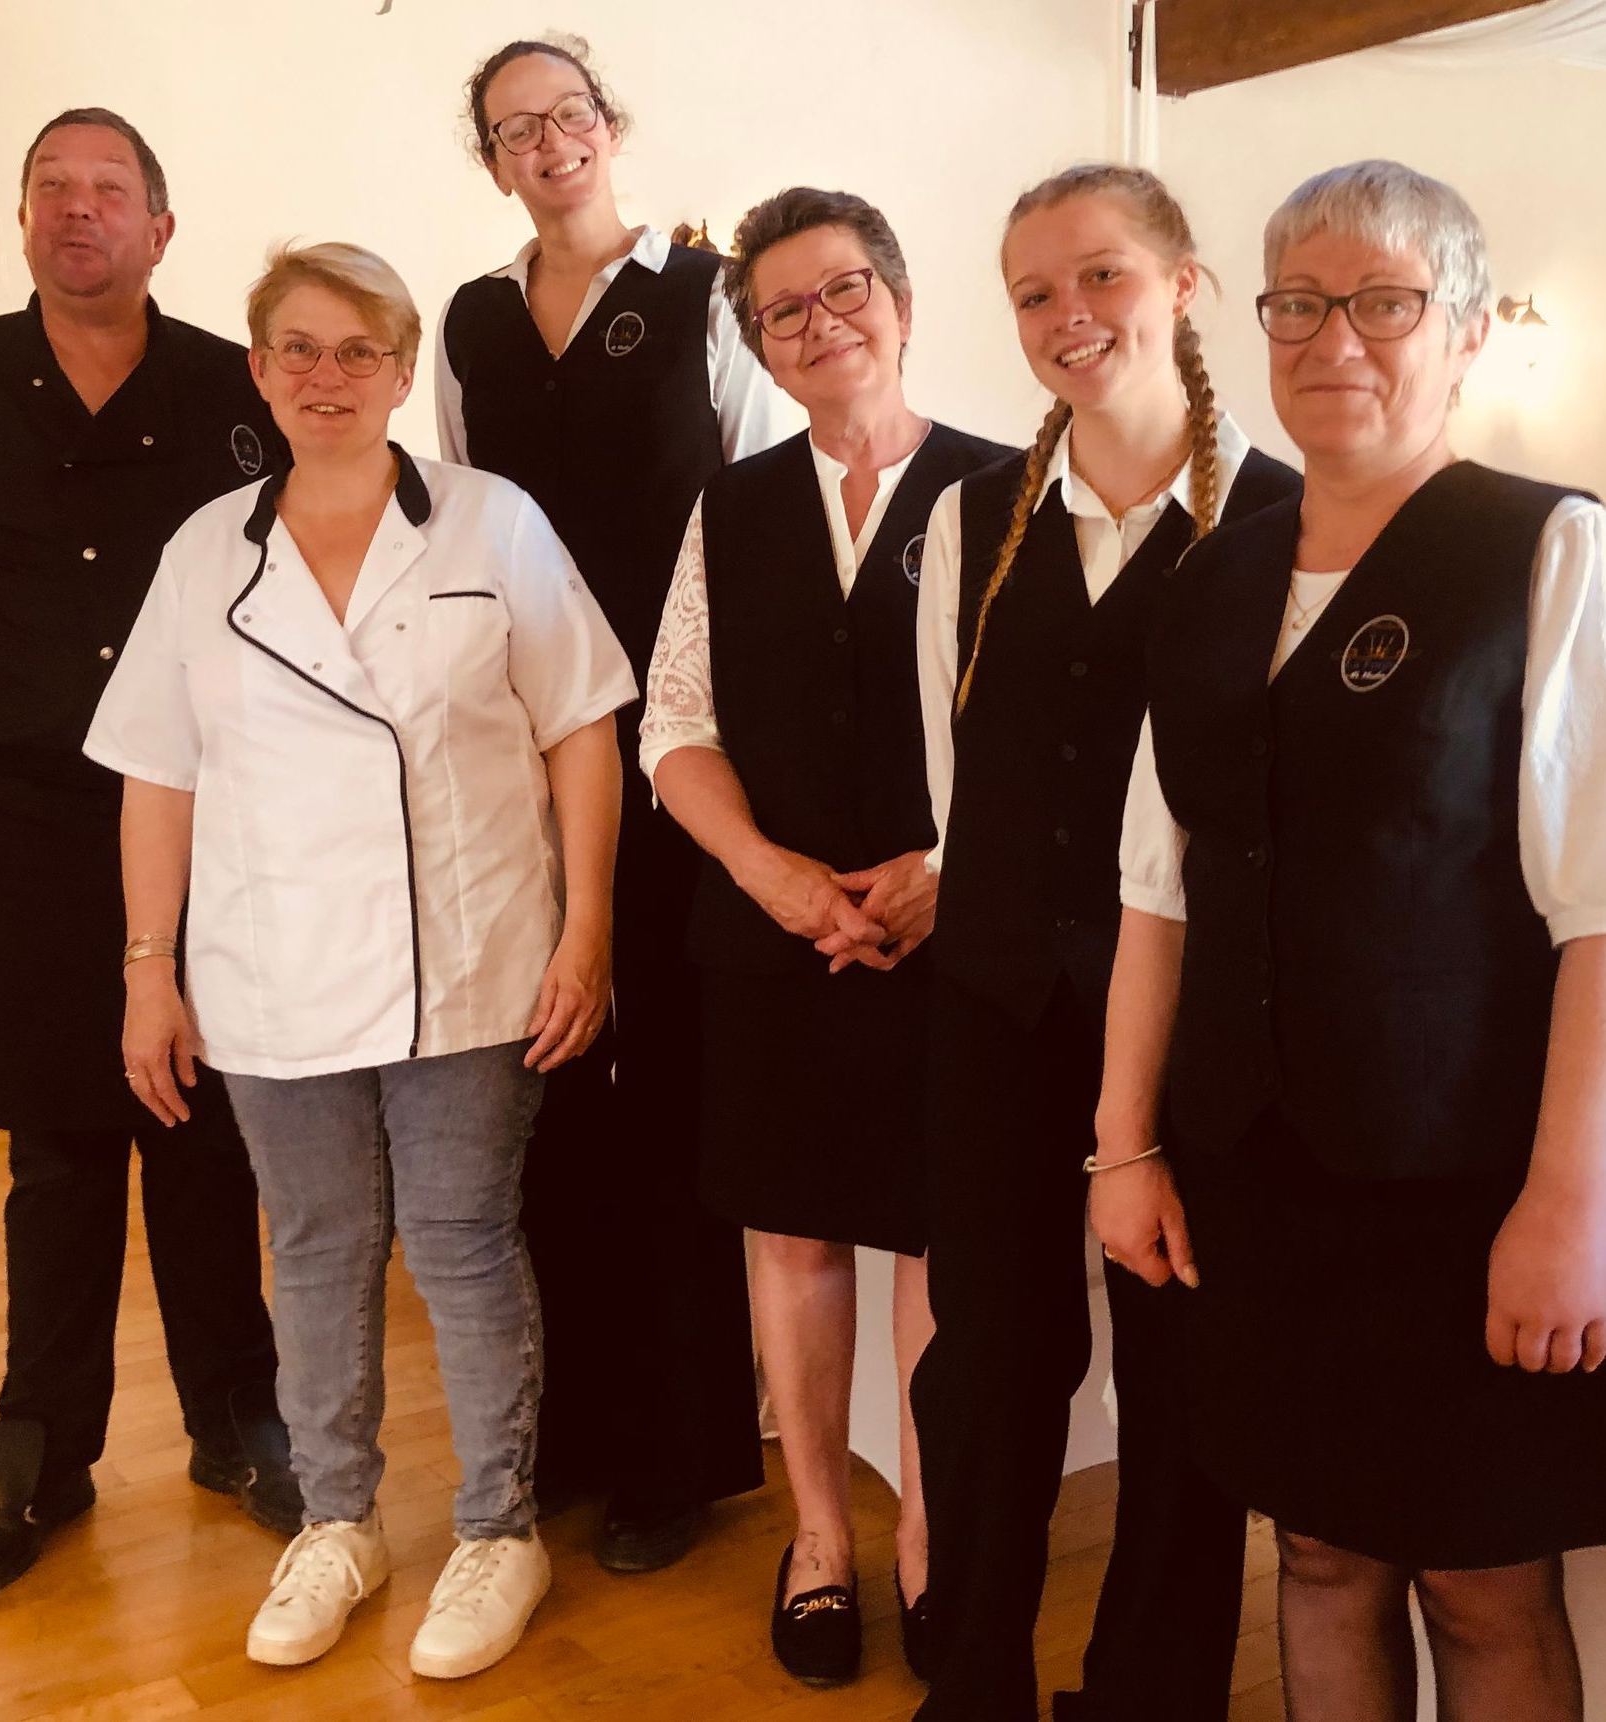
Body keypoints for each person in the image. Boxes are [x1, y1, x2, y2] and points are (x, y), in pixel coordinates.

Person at [1094, 159, 1606, 1722]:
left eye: (1383, 301)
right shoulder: (1211, 572)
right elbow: (1156, 884)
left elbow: (1598, 913)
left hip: (1467, 1188)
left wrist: (1567, 1211)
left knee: (1480, 1576)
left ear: (1458, 330)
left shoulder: (1549, 552)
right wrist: (1121, 1146)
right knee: (1314, 1552)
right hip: (1259, 1177)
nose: (1336, 339)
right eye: (1299, 304)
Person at [83, 241, 636, 1676]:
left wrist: (588, 924)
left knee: (461, 1242)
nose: (325, 378)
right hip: (274, 969)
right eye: (297, 350)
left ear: (402, 372)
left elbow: (582, 722)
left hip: (471, 954)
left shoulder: (488, 522)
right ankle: (338, 1518)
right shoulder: (207, 550)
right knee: (319, 1250)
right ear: (258, 369)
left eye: (356, 352)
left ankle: (495, 1526)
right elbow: (158, 769)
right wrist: (151, 965)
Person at [0, 107, 298, 1603]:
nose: (79, 211)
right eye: (52, 189)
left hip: (209, 815)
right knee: (56, 1148)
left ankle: (238, 1421)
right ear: (20, 223)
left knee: (207, 1133)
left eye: (109, 190)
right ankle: (39, 1454)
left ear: (161, 229)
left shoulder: (232, 390)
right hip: (20, 824)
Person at [909, 166, 1299, 1721]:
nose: (1068, 317)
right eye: (1031, 293)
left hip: (1195, 1028)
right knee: (990, 1366)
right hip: (994, 1003)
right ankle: (978, 1672)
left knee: (1178, 1375)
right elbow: (960, 791)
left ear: (1183, 285)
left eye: (1100, 277)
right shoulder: (967, 520)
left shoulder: (1279, 522)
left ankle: (1149, 1691)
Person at [643, 186, 1010, 1687]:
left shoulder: (1011, 487)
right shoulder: (727, 507)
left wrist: (950, 866)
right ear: (760, 351)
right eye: (780, 310)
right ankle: (816, 1539)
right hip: (772, 939)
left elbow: (1063, 738)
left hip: (953, 944)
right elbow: (674, 727)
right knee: (790, 1233)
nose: (818, 322)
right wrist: (765, 872)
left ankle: (928, 1533)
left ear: (902, 301)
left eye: (842, 288)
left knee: (936, 1241)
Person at [436, 34, 791, 1571]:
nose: (547, 143)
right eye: (514, 128)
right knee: (550, 1090)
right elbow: (474, 537)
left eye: (567, 115)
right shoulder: (464, 323)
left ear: (610, 127)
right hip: (528, 759)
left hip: (681, 749)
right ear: (492, 157)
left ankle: (679, 1447)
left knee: (672, 1098)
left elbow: (763, 515)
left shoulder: (709, 294)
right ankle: (569, 1428)